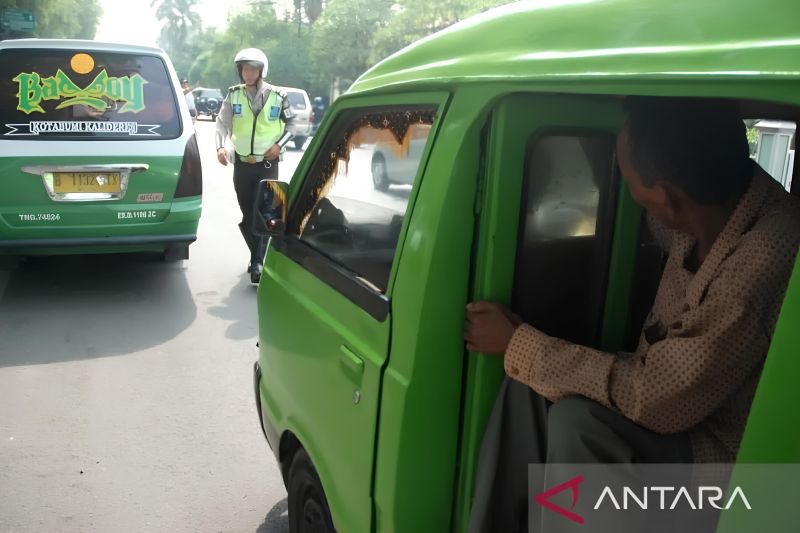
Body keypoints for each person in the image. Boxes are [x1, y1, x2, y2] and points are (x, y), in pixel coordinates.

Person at [464, 98, 800, 533]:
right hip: (676, 408)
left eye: (627, 178)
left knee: (577, 425)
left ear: (665, 198)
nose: (625, 188)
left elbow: (659, 401)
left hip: (725, 463)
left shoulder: (762, 259)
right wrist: (525, 353)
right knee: (527, 388)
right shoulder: (712, 203)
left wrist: (516, 342)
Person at [215, 48, 294, 283]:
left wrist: (279, 145)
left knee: (267, 212)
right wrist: (220, 147)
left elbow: (293, 125)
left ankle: (257, 262)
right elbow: (222, 123)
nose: (248, 73)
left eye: (252, 68)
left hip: (268, 163)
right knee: (248, 214)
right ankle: (259, 255)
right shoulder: (234, 95)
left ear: (261, 70)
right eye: (244, 69)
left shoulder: (279, 96)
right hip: (242, 165)